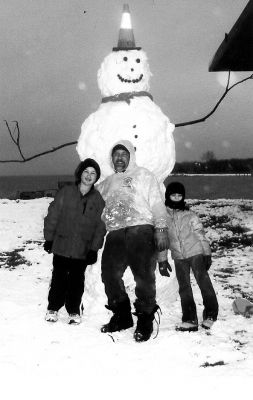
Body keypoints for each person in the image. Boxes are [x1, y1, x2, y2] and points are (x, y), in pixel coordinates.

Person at [97, 139, 169, 342]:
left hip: (141, 230)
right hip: (116, 233)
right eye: (116, 155)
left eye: (123, 154)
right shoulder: (108, 182)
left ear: (131, 156)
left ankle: (145, 319)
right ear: (111, 159)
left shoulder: (144, 175)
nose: (119, 158)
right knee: (109, 275)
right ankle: (122, 316)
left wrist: (161, 228)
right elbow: (89, 199)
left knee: (144, 277)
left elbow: (157, 204)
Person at [43, 159, 106, 324]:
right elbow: (53, 215)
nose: (89, 176)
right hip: (62, 244)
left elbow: (100, 227)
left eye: (93, 173)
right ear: (80, 173)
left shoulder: (98, 199)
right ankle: (53, 308)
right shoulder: (66, 192)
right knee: (59, 278)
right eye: (86, 172)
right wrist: (49, 238)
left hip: (82, 248)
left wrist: (94, 249)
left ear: (96, 177)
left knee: (77, 281)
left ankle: (73, 310)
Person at [158, 181, 218, 332]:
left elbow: (200, 235)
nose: (177, 198)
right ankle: (190, 319)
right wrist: (162, 259)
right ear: (168, 196)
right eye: (173, 195)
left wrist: (207, 253)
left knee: (204, 283)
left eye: (179, 195)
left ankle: (210, 314)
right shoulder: (163, 218)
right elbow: (162, 241)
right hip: (179, 257)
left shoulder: (190, 215)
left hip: (196, 252)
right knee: (184, 288)